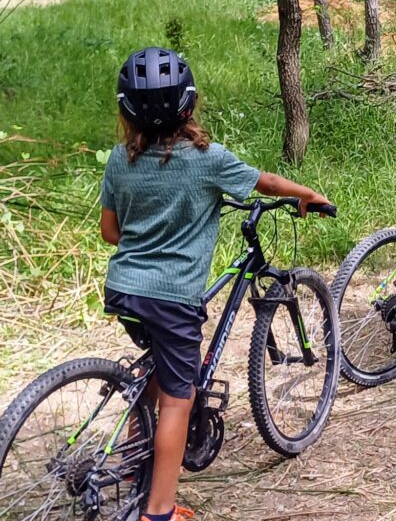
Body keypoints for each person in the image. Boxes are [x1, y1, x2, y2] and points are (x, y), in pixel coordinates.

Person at [100, 47, 330, 521]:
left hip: (123, 287)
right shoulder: (207, 159)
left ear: (127, 110)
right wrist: (307, 194)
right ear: (189, 104)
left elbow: (110, 232)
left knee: (156, 368)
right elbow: (265, 182)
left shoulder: (120, 160)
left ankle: (129, 460)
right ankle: (159, 510)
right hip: (171, 297)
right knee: (179, 400)